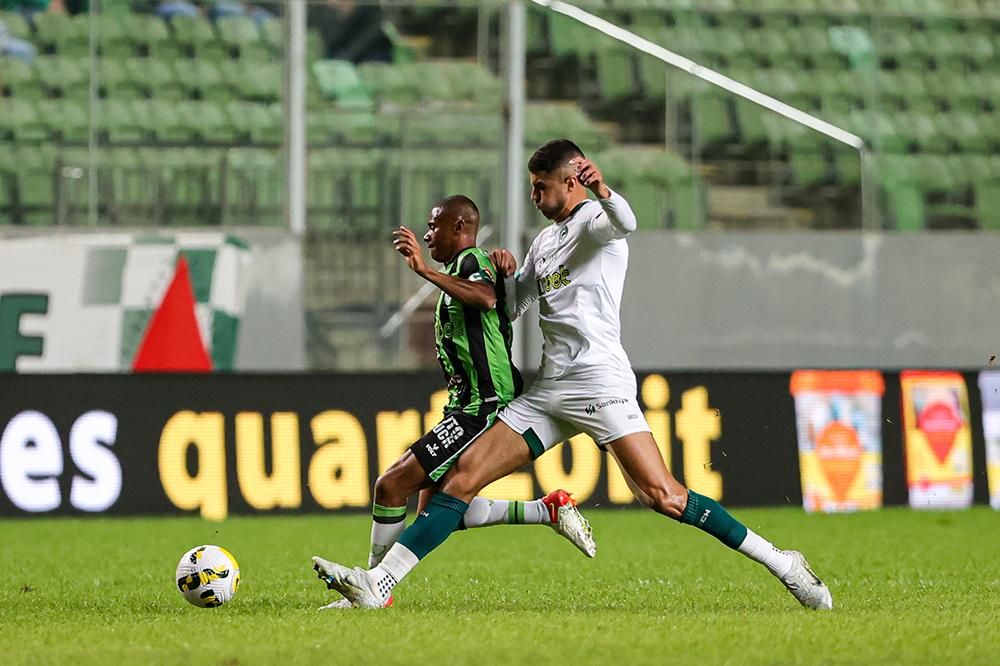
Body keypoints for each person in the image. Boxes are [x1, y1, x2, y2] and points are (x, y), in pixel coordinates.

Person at [313, 141, 834, 611]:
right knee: (460, 480)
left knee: (664, 496)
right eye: (532, 187)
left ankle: (783, 562)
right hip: (548, 390)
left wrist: (603, 187)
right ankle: (380, 585)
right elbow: (508, 307)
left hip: (601, 384)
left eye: (542, 187)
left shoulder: (595, 225)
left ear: (570, 181)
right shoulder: (544, 244)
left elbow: (625, 221)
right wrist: (500, 272)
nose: (535, 195)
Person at [313, 194, 596, 609]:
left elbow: (484, 298)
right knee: (440, 508)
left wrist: (424, 271)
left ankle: (373, 588)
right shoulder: (464, 268)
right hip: (466, 405)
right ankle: (548, 511)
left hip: (486, 405)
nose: (427, 234)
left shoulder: (472, 262)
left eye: (434, 226)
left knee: (391, 485)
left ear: (460, 227)